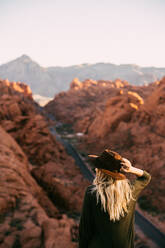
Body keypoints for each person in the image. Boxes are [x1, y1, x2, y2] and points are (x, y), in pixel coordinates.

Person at [78, 149, 151, 248]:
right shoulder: (130, 191)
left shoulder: (92, 193)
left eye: (97, 168)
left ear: (100, 172)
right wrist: (131, 169)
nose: (95, 170)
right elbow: (146, 177)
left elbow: (85, 229)